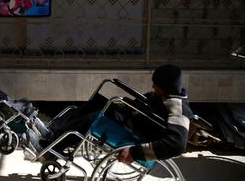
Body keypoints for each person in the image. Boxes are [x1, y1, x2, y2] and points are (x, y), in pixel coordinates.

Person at [39, 64, 193, 163]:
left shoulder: (178, 109)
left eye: (156, 85)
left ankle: (52, 147)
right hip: (134, 121)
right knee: (98, 102)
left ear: (167, 86)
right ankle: (52, 134)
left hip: (137, 135)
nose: (153, 86)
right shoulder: (165, 95)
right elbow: (144, 104)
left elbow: (177, 145)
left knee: (95, 119)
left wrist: (135, 152)